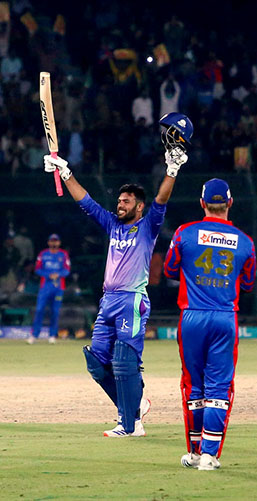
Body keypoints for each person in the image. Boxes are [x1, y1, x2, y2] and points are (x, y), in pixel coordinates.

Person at [43, 112, 192, 437]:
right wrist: (65, 171)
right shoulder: (112, 224)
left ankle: (130, 425)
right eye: (119, 201)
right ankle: (135, 406)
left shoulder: (148, 226)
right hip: (108, 300)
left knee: (124, 361)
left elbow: (161, 199)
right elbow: (87, 203)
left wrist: (172, 169)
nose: (120, 204)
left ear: (139, 207)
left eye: (126, 202)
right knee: (96, 362)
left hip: (132, 300)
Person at [163, 178, 256, 471]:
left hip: (191, 317)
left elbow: (170, 269)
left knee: (193, 386)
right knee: (219, 387)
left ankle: (193, 452)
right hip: (225, 317)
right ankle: (209, 456)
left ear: (202, 203)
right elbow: (249, 282)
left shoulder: (184, 234)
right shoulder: (246, 242)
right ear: (230, 202)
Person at [28, 233, 71, 344]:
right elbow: (37, 269)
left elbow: (67, 270)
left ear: (59, 242)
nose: (54, 243)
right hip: (45, 286)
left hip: (58, 287)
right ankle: (34, 334)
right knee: (39, 309)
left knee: (55, 311)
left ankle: (52, 335)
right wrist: (48, 275)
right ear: (48, 242)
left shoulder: (63, 254)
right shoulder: (43, 254)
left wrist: (58, 274)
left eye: (56, 241)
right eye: (52, 241)